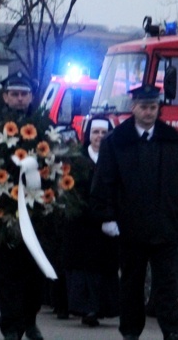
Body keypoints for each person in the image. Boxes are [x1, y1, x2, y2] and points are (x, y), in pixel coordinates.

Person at [91, 85, 178, 340]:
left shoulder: (173, 140)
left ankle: (172, 331)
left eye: (153, 107)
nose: (149, 112)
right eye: (144, 107)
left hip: (165, 224)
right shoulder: (117, 142)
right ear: (134, 107)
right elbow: (104, 181)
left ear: (158, 108)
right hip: (130, 226)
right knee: (132, 283)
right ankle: (130, 331)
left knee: (166, 283)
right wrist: (107, 217)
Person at [0, 72, 45, 340]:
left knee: (35, 272)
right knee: (7, 272)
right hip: (4, 209)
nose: (19, 99)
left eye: (24, 94)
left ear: (31, 97)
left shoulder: (43, 125)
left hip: (38, 209)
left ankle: (30, 320)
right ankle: (10, 326)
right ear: (5, 96)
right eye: (14, 94)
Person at [63, 116, 119, 327]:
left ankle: (101, 308)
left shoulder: (115, 158)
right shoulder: (77, 160)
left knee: (103, 271)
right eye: (96, 132)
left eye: (104, 133)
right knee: (83, 271)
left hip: (106, 226)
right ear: (88, 135)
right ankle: (86, 309)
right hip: (81, 226)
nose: (100, 137)